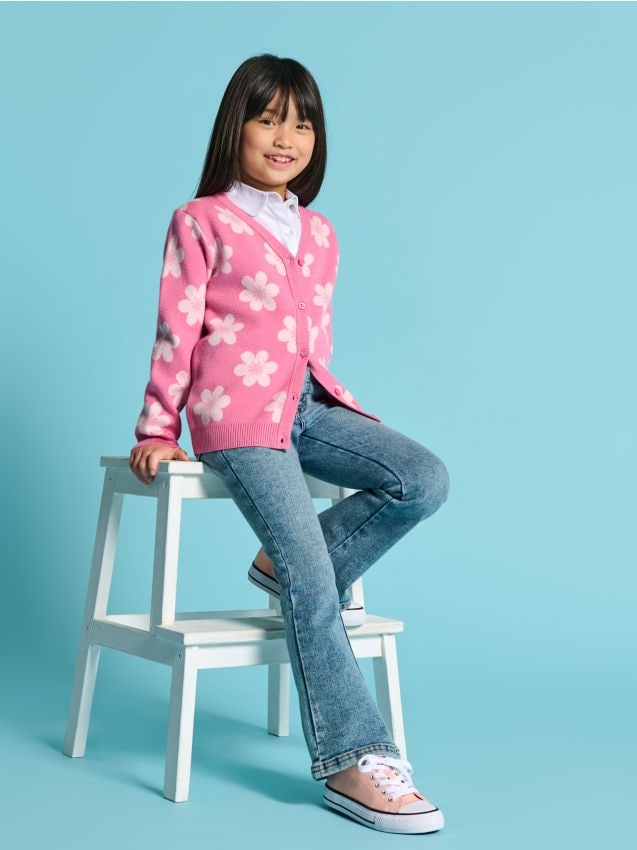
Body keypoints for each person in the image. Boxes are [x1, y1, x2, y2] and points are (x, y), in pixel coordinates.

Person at [129, 53, 450, 835]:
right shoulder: (200, 219)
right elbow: (176, 329)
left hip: (308, 406)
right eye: (268, 119)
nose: (285, 138)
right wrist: (157, 429)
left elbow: (310, 337)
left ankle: (288, 564)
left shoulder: (320, 231)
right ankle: (352, 757)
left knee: (421, 478)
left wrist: (321, 404)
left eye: (301, 124)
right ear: (234, 128)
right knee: (315, 580)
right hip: (235, 412)